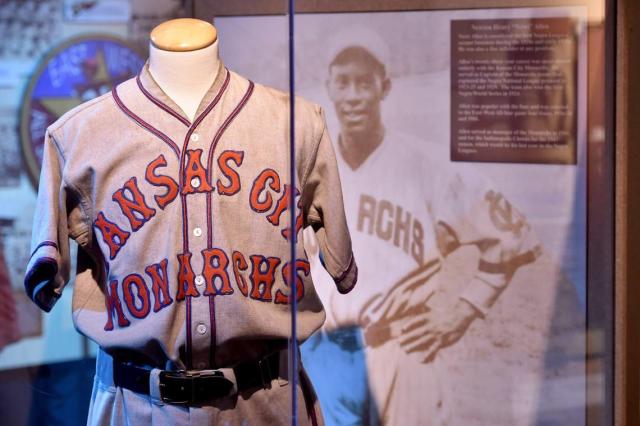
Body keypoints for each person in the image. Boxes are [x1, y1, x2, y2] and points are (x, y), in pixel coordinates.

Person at [301, 32, 540, 426]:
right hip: (325, 350)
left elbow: (512, 238)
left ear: (385, 87)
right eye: (343, 82)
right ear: (329, 87)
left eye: (365, 82)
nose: (354, 95)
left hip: (402, 349)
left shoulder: (427, 166)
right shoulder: (311, 169)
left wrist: (463, 310)